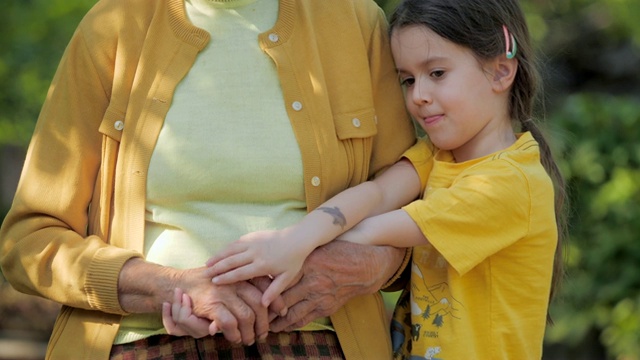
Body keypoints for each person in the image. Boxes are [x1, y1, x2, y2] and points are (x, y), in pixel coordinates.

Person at [0, 0, 417, 358]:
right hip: (142, 341)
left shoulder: (355, 22)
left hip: (318, 341)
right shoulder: (113, 25)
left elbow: (419, 207)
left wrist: (361, 266)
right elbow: (30, 241)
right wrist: (168, 287)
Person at [165, 0, 568, 358]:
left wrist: (279, 259)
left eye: (438, 73)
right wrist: (290, 243)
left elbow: (376, 228)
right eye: (408, 79)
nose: (418, 96)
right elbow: (376, 194)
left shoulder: (510, 183)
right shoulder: (437, 156)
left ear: (500, 72)